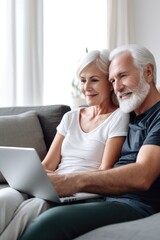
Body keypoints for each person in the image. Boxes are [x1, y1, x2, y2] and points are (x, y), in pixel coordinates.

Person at [19, 44, 160, 240]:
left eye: (123, 76)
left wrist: (71, 181)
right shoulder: (132, 113)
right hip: (107, 198)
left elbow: (143, 175)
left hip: (136, 204)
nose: (117, 87)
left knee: (49, 222)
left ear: (148, 73)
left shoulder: (157, 116)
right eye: (112, 80)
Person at [0, 49, 129, 240]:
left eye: (94, 80)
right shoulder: (70, 117)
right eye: (83, 80)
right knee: (4, 199)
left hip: (81, 191)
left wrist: (64, 181)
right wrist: (31, 177)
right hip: (52, 186)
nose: (86, 87)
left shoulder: (119, 117)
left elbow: (105, 170)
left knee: (32, 208)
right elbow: (48, 165)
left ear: (110, 84)